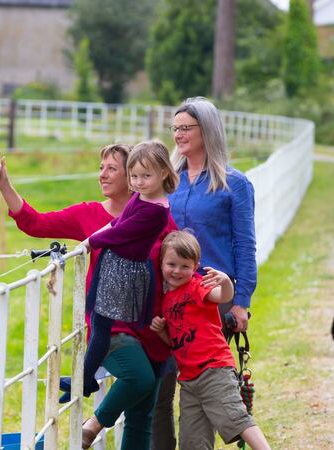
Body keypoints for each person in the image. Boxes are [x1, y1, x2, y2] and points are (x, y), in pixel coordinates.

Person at [0, 143, 176, 449]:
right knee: (139, 379)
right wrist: (4, 184)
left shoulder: (156, 214)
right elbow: (35, 223)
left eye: (112, 169)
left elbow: (179, 261)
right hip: (114, 324)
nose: (103, 175)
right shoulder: (87, 214)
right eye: (101, 167)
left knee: (142, 415)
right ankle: (93, 424)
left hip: (152, 324)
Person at [152, 96, 258, 449]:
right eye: (175, 128)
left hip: (213, 302)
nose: (179, 134)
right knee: (165, 387)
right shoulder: (170, 181)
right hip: (170, 299)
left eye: (186, 128)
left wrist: (240, 301)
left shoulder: (234, 183)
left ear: (206, 131)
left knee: (209, 389)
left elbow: (245, 246)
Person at [150, 230, 270, 450]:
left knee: (236, 419)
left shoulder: (197, 287)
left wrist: (225, 282)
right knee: (192, 442)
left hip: (213, 370)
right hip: (188, 380)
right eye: (172, 264)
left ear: (195, 267)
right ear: (161, 263)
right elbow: (176, 343)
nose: (177, 271)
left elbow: (222, 296)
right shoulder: (166, 301)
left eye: (185, 266)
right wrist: (161, 332)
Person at [78, 141, 177, 401]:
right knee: (99, 324)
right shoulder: (140, 196)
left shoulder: (157, 211)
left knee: (101, 325)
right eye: (134, 176)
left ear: (164, 173)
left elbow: (122, 232)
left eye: (146, 176)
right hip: (114, 265)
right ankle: (87, 377)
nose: (140, 182)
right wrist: (94, 238)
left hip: (124, 272)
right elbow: (117, 221)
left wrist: (91, 242)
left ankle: (85, 379)